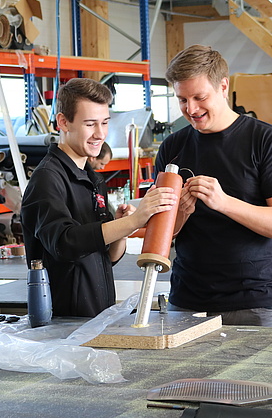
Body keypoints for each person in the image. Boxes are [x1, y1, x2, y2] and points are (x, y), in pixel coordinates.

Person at [155, 45, 272, 327]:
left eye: (200, 97)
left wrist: (223, 202)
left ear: (223, 86)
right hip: (187, 300)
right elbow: (164, 231)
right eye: (182, 99)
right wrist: (182, 212)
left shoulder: (266, 140)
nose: (191, 109)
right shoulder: (173, 146)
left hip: (252, 302)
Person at [21, 78, 178, 317]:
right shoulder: (48, 178)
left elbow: (107, 259)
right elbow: (64, 244)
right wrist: (133, 223)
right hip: (63, 321)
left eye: (105, 122)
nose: (100, 133)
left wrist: (120, 230)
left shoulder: (93, 179)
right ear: (63, 122)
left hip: (97, 314)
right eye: (90, 124)